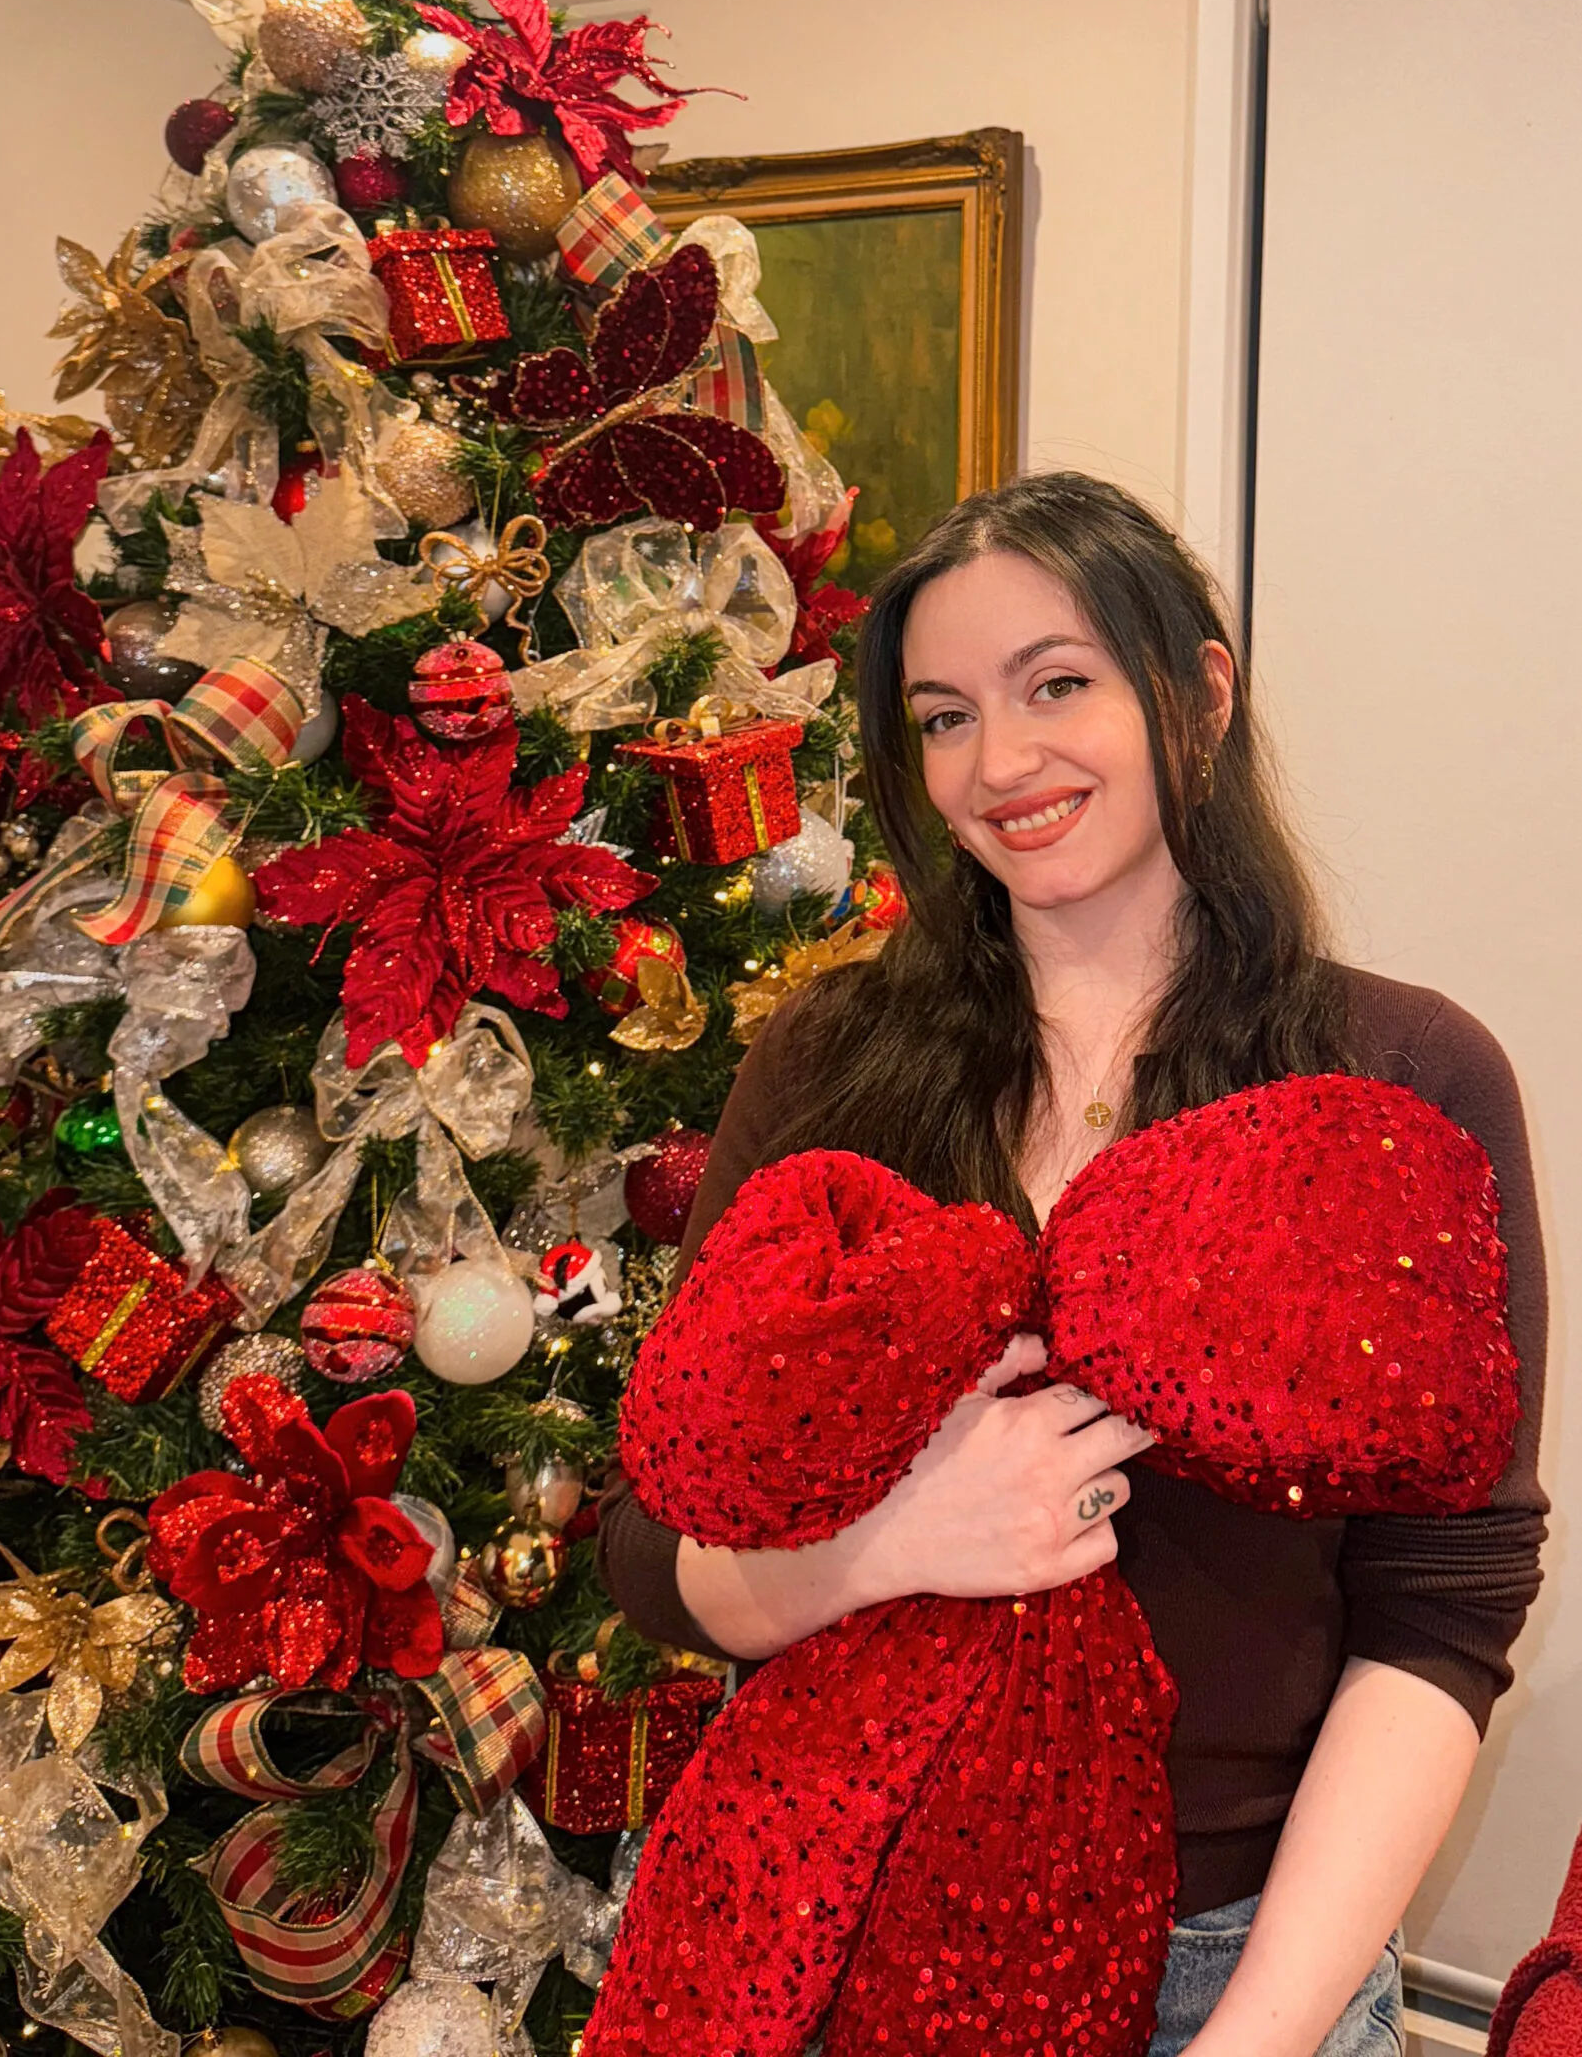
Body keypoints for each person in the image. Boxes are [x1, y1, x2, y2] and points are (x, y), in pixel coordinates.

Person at [597, 472, 1548, 2057]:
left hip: (1244, 1972)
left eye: (1060, 685)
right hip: (839, 1921)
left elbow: (1440, 1614)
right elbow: (650, 1535)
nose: (1003, 762)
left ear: (1199, 694)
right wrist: (894, 1543)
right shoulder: (830, 1065)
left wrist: (1254, 2037)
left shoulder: (1401, 1083)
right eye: (946, 715)